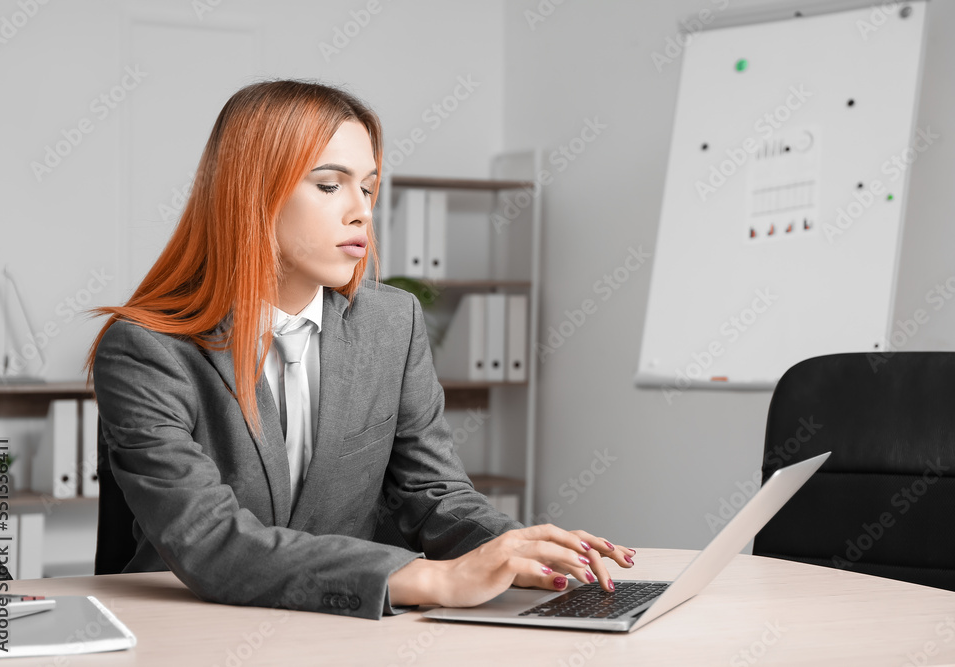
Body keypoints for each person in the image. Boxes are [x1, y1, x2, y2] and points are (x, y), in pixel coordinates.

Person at [86, 79, 635, 619]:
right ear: (250, 193)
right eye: (330, 185)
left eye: (368, 189)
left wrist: (518, 550)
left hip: (343, 630)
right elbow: (208, 539)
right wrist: (430, 578)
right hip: (192, 630)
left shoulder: (393, 322)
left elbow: (433, 493)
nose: (362, 212)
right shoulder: (145, 350)